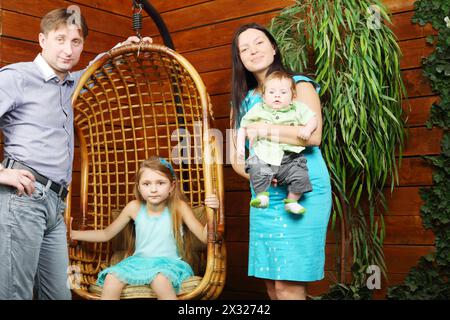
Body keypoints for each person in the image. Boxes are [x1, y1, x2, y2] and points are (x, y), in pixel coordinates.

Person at [0, 7, 152, 300]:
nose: (68, 50)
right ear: (42, 40)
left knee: (59, 294)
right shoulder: (16, 77)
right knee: (14, 294)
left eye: (76, 42)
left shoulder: (73, 83)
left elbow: (101, 67)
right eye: (60, 39)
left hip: (56, 207)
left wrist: (124, 49)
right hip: (23, 202)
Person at [230, 23, 332, 300]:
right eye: (244, 48)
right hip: (265, 194)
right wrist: (259, 172)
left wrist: (265, 131)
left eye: (259, 42)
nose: (253, 50)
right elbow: (237, 158)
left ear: (273, 48)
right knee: (272, 285)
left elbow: (314, 137)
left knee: (289, 284)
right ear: (240, 58)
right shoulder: (243, 100)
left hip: (303, 189)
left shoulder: (299, 85)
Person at [70, 156, 219, 300]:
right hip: (138, 262)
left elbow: (205, 237)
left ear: (172, 186)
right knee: (111, 278)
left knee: (160, 280)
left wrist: (213, 213)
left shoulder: (178, 207)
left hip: (169, 263)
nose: (153, 189)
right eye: (146, 184)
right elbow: (105, 234)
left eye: (160, 183)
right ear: (139, 187)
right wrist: (73, 234)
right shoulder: (134, 208)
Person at [237, 71, 318, 214]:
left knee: (300, 175)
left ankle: (292, 200)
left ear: (293, 97)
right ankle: (262, 195)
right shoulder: (258, 110)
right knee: (255, 167)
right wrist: (240, 148)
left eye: (283, 92)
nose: (277, 95)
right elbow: (243, 127)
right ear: (263, 97)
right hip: (264, 156)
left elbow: (313, 119)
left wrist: (307, 129)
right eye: (272, 92)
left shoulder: (297, 109)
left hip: (290, 158)